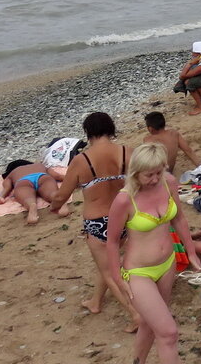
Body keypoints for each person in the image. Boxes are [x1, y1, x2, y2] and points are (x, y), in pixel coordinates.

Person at [107, 143, 201, 364]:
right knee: (168, 333)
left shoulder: (168, 183)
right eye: (149, 175)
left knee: (152, 324)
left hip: (167, 264)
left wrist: (191, 251)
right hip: (139, 271)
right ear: (135, 173)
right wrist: (117, 278)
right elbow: (111, 242)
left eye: (159, 172)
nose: (155, 179)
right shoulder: (124, 199)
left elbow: (179, 218)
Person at [49, 112, 137, 326]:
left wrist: (54, 207)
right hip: (125, 217)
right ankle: (95, 301)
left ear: (88, 133)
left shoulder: (82, 160)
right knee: (108, 264)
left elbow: (62, 194)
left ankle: (135, 315)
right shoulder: (128, 152)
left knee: (109, 271)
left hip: (98, 222)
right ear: (111, 129)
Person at [0, 159, 62, 225]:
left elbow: (7, 187)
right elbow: (57, 176)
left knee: (27, 198)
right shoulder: (39, 165)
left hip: (23, 181)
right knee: (51, 193)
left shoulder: (13, 172)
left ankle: (31, 205)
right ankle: (57, 200)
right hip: (42, 176)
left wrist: (1, 196)